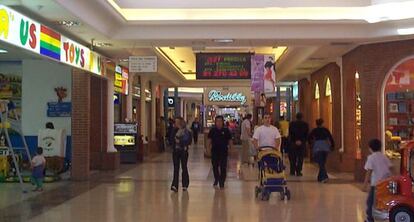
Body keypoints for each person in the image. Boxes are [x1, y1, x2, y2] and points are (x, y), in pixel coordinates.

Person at [363, 139, 393, 222]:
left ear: (370, 148)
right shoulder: (384, 156)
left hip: (375, 185)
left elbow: (369, 171)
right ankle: (384, 216)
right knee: (383, 201)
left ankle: (370, 219)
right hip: (385, 183)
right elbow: (391, 167)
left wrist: (365, 184)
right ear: (380, 147)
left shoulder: (371, 157)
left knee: (370, 202)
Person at [208, 116, 232, 189]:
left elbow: (230, 140)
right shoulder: (212, 130)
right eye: (217, 121)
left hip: (223, 151)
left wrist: (231, 149)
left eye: (220, 121)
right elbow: (209, 140)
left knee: (223, 167)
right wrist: (208, 149)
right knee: (215, 166)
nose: (219, 123)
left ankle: (222, 181)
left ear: (222, 122)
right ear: (215, 122)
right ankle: (216, 178)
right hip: (214, 151)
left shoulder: (226, 130)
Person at [308, 119, 335, 183]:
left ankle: (321, 177)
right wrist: (332, 146)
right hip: (325, 146)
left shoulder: (314, 130)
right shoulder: (325, 130)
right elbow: (330, 137)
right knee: (322, 162)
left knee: (321, 163)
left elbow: (309, 137)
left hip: (317, 146)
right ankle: (324, 177)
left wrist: (310, 145)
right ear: (322, 123)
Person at [170, 117, 192, 192]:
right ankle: (174, 185)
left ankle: (185, 184)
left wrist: (179, 141)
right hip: (175, 151)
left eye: (176, 122)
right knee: (176, 168)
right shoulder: (174, 130)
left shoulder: (187, 131)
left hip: (183, 152)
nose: (175, 124)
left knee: (184, 167)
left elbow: (188, 141)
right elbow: (171, 140)